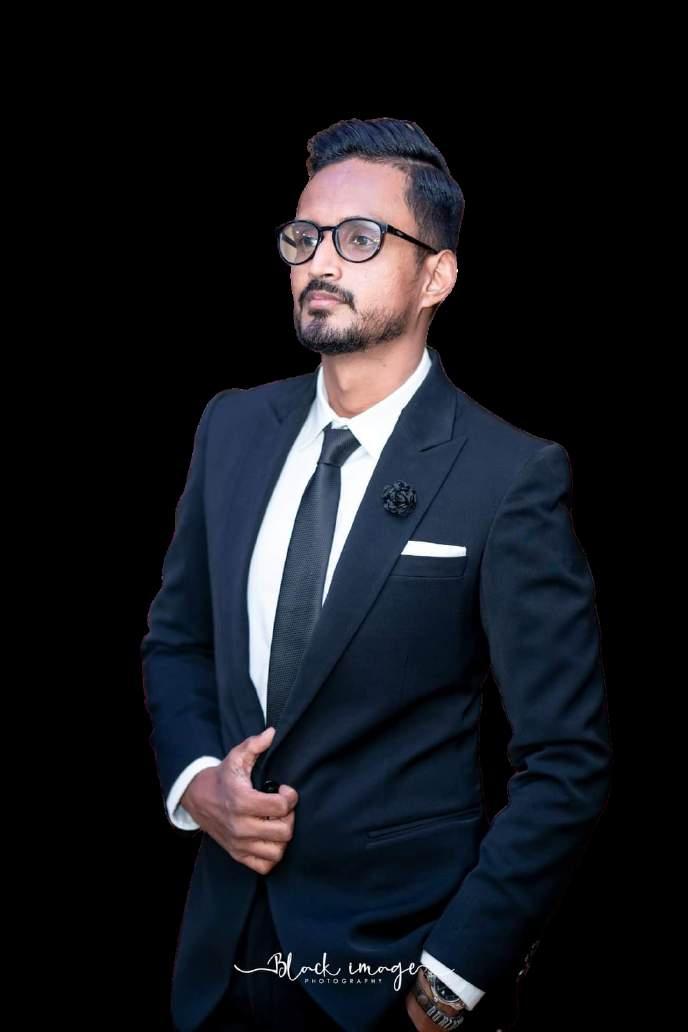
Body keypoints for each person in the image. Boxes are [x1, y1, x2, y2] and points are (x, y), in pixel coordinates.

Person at [141, 117, 612, 1032]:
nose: (320, 261)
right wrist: (198, 783)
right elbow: (178, 639)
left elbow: (567, 759)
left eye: (359, 238)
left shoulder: (509, 474)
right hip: (217, 963)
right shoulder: (231, 428)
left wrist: (448, 986)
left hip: (392, 973)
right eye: (304, 237)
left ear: (437, 276)